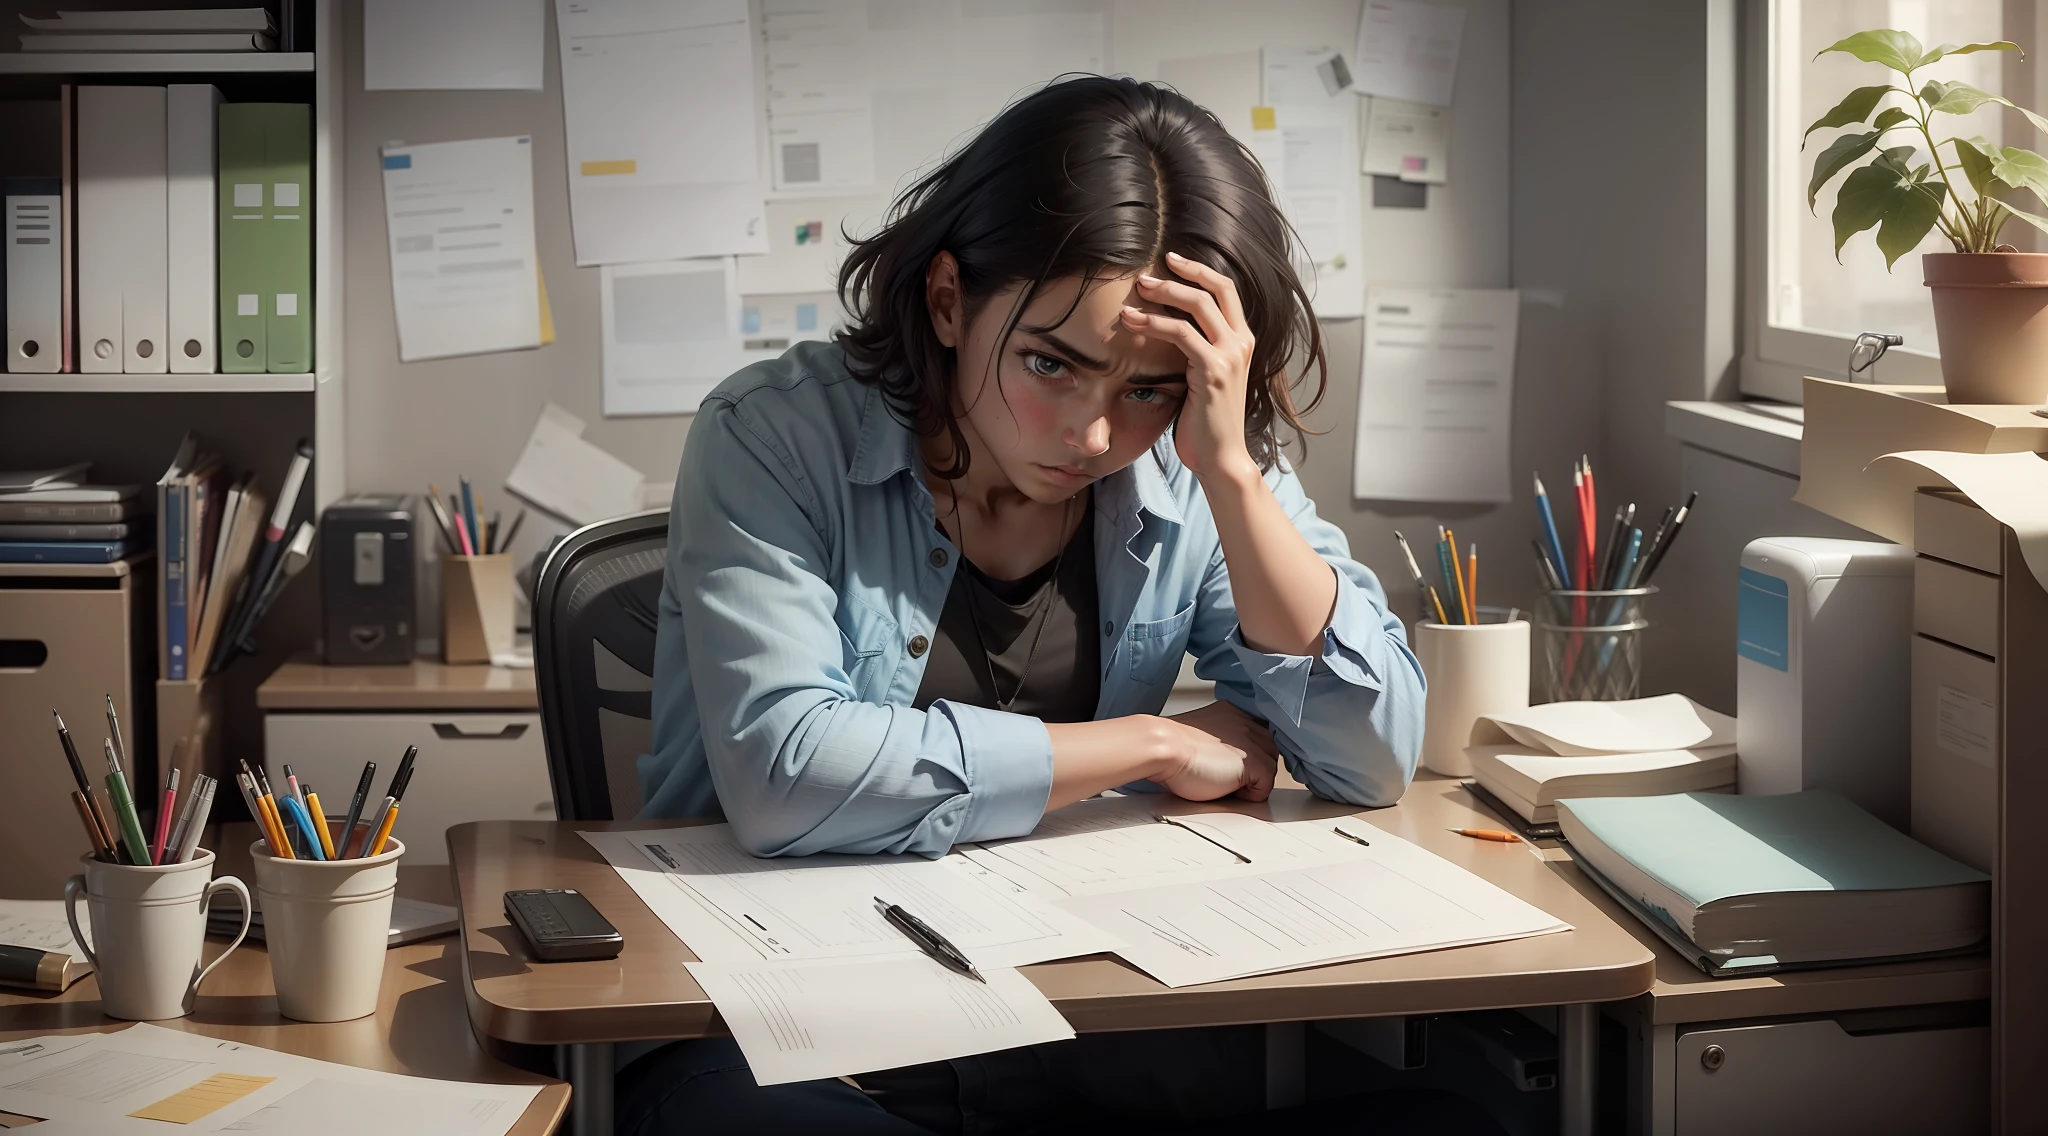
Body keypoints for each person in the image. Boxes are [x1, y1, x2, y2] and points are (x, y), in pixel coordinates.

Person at [624, 75, 1442, 1135]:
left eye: (1148, 386)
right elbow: (786, 772)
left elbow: (1371, 754)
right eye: (1051, 363)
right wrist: (1143, 742)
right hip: (780, 1026)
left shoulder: (1194, 458)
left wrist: (1232, 474)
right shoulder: (771, 437)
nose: (1094, 434)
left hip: (1061, 1005)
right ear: (950, 299)